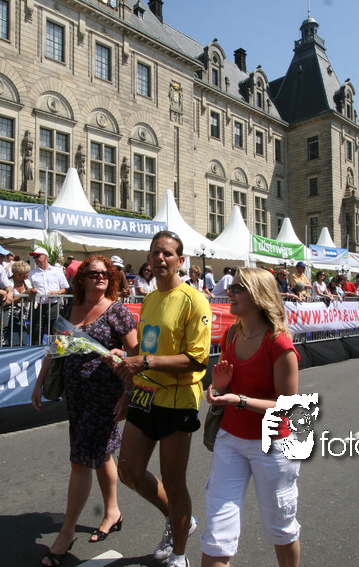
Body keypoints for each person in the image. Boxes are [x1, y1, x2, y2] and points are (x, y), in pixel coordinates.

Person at [108, 231, 212, 567]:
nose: (160, 258)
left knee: (174, 482)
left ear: (180, 261)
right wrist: (127, 363)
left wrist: (144, 361)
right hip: (144, 395)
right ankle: (178, 518)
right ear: (148, 259)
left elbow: (197, 360)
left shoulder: (194, 300)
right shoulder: (150, 299)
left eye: (167, 253)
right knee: (129, 471)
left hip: (177, 401)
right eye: (155, 253)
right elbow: (146, 349)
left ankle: (179, 555)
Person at [32, 255, 139, 567]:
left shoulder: (117, 311)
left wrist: (127, 393)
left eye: (105, 274)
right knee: (102, 454)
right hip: (77, 397)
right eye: (93, 274)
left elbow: (135, 354)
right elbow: (57, 347)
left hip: (104, 397)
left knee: (80, 461)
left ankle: (65, 534)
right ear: (82, 279)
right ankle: (112, 512)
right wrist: (39, 382)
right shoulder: (71, 308)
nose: (100, 278)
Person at [200, 268, 302, 567]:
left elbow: (287, 406)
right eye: (230, 287)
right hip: (230, 440)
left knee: (281, 529)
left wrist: (240, 400)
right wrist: (221, 389)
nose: (229, 293)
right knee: (217, 534)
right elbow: (225, 386)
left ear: (258, 296)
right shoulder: (231, 334)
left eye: (238, 288)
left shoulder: (279, 344)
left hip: (272, 446)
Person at [29, 247, 69, 343]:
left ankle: (54, 350)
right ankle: (35, 350)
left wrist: (57, 292)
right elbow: (28, 288)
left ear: (45, 256)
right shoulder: (32, 273)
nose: (35, 259)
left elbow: (65, 288)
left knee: (54, 331)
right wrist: (31, 290)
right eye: (34, 257)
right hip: (38, 306)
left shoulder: (57, 271)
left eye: (37, 256)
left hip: (54, 305)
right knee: (36, 331)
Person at [4, 260, 33, 346]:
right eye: (26, 273)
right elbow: (8, 301)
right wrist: (24, 294)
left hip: (22, 317)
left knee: (23, 342)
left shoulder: (27, 283)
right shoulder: (7, 283)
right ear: (19, 274)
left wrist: (32, 293)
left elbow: (29, 299)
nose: (28, 274)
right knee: (10, 343)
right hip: (8, 317)